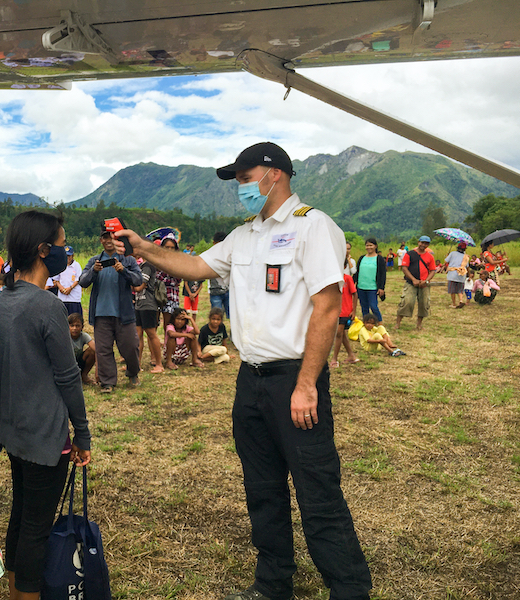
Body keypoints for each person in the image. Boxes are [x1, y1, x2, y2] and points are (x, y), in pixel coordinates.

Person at [111, 141, 372, 600]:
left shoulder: (313, 227)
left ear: (275, 175)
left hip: (295, 379)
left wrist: (308, 383)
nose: (240, 188)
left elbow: (327, 308)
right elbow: (194, 265)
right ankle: (273, 584)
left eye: (246, 178)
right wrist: (144, 248)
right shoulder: (244, 235)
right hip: (249, 379)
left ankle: (349, 589)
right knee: (263, 489)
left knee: (317, 492)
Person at [0, 210, 91, 600]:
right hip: (46, 435)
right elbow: (68, 377)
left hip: (15, 431)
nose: (67, 251)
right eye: (62, 244)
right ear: (45, 249)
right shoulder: (48, 305)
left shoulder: (5, 299)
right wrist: (82, 434)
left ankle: (15, 591)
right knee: (37, 526)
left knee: (22, 513)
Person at [79, 226, 143, 393]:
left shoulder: (128, 260)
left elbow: (138, 280)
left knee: (130, 346)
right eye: (105, 237)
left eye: (112, 237)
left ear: (118, 240)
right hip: (101, 314)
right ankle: (108, 383)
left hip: (124, 314)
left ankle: (133, 373)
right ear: (101, 240)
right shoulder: (95, 261)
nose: (108, 240)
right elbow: (82, 281)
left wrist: (124, 271)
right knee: (103, 349)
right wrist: (94, 271)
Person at [395, 235, 436, 331]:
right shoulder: (409, 254)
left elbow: (433, 270)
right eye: (422, 242)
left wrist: (426, 281)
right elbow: (404, 268)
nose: (423, 245)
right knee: (406, 302)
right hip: (410, 283)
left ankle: (419, 324)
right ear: (418, 242)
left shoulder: (430, 256)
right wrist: (413, 279)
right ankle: (398, 323)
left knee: (424, 304)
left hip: (424, 284)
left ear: (428, 245)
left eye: (426, 243)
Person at [133, 255, 164, 374]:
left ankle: (159, 364)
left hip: (148, 305)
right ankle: (137, 364)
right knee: (138, 334)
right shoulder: (140, 266)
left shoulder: (147, 266)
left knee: (151, 334)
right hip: (140, 304)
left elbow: (140, 286)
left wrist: (133, 285)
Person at [353, 237, 386, 324]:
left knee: (373, 306)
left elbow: (383, 274)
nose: (369, 247)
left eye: (371, 245)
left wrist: (381, 287)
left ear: (375, 246)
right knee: (364, 307)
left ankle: (380, 323)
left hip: (373, 287)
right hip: (361, 287)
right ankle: (367, 323)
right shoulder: (362, 258)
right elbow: (357, 272)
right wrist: (352, 283)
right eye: (367, 245)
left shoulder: (379, 258)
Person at [331, 266, 359, 367]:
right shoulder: (332, 279)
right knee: (341, 334)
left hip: (345, 311)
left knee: (338, 334)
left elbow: (355, 294)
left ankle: (334, 359)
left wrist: (353, 310)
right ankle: (351, 355)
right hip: (335, 311)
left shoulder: (347, 278)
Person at [156, 233, 183, 330]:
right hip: (157, 294)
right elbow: (157, 277)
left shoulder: (178, 262)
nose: (169, 249)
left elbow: (178, 279)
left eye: (172, 247)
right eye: (167, 247)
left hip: (171, 295)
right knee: (154, 323)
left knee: (169, 324)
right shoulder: (156, 260)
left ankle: (168, 344)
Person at [53, 245, 83, 315]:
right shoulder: (60, 265)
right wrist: (60, 287)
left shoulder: (76, 265)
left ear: (73, 256)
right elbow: (56, 279)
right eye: (65, 256)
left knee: (74, 318)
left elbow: (78, 279)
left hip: (74, 298)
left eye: (69, 256)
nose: (67, 258)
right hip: (62, 298)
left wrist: (70, 288)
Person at [68, 313, 96, 384]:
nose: (75, 328)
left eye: (77, 326)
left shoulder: (83, 336)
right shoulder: (64, 336)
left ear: (82, 327)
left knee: (91, 351)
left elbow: (97, 349)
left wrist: (98, 367)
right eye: (72, 326)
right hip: (67, 362)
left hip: (78, 362)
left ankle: (84, 375)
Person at [209, 231, 230, 318]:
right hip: (215, 291)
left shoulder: (230, 255)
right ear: (214, 243)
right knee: (216, 317)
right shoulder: (209, 256)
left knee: (233, 317)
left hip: (229, 290)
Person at [444, 242, 469, 309]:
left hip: (452, 274)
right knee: (460, 290)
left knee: (452, 290)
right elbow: (467, 266)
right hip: (461, 274)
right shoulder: (466, 256)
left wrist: (447, 256)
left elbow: (446, 261)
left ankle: (454, 303)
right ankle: (460, 300)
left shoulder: (452, 253)